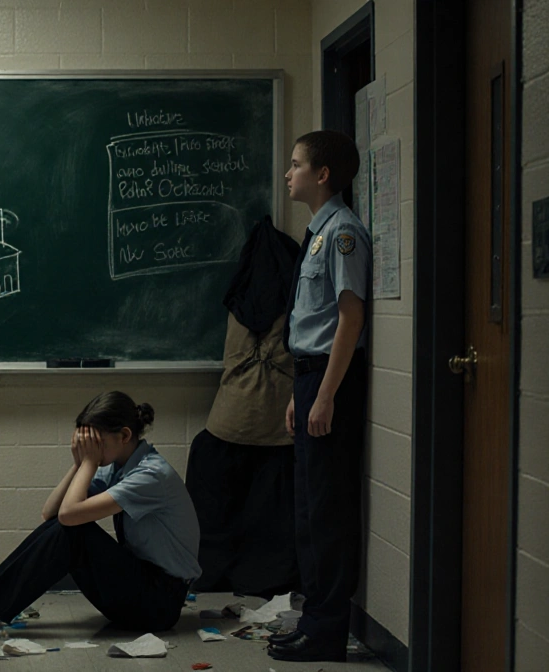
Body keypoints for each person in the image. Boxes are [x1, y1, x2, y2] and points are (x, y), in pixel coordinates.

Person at [0, 392, 201, 640]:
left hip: (159, 603)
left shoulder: (151, 475)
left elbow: (68, 517)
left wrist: (88, 462)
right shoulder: (118, 464)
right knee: (70, 527)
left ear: (125, 435)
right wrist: (79, 464)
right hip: (140, 588)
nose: (90, 450)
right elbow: (51, 512)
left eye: (95, 442)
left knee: (76, 531)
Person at [269, 130, 369, 663]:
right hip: (310, 377)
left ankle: (328, 630)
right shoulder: (316, 233)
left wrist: (326, 395)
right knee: (308, 510)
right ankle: (313, 619)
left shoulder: (343, 234)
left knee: (327, 511)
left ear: (322, 174)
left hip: (331, 381)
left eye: (296, 164)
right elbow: (313, 326)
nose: (288, 173)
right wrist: (299, 393)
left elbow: (350, 319)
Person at [185, 217, 301, 599]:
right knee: (268, 523)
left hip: (225, 427)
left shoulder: (237, 304)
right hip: (276, 434)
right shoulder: (295, 308)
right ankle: (263, 579)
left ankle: (211, 574)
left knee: (216, 518)